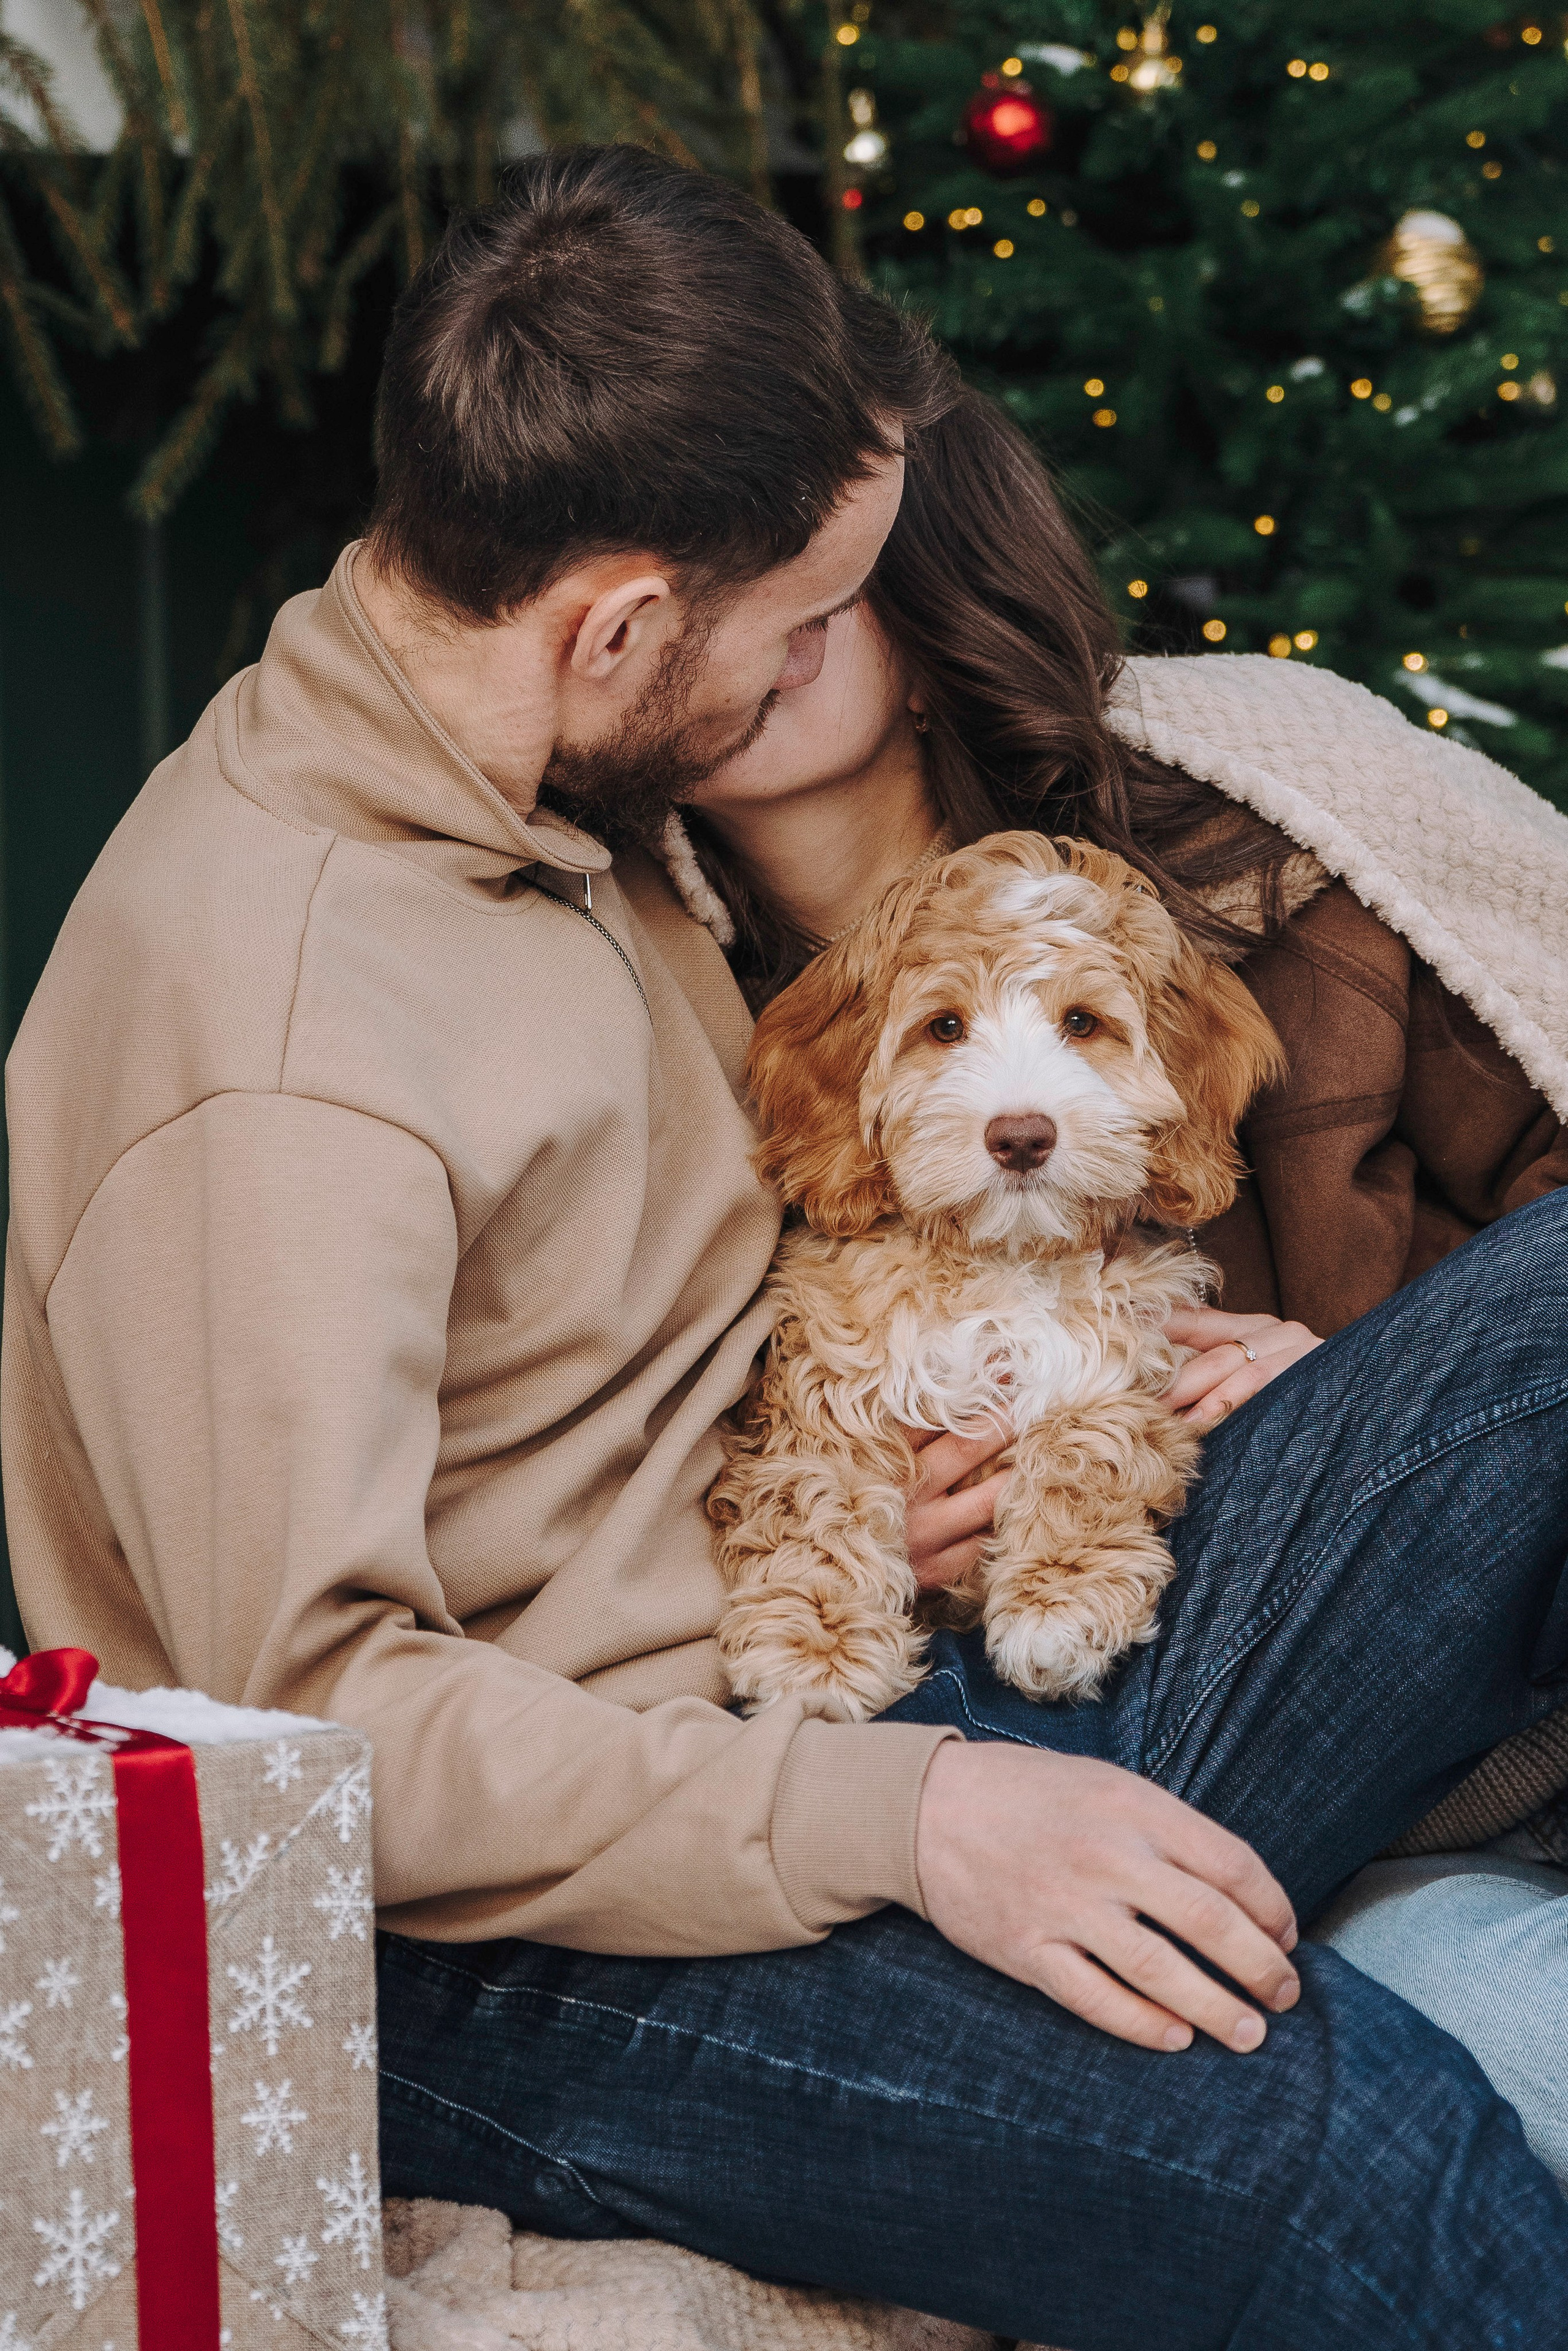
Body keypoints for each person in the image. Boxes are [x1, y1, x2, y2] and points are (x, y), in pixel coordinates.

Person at [5, 153, 1567, 2349]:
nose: (847, 646)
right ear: (631, 626)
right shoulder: (273, 1037)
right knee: (1347, 2158)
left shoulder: (565, 805)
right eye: (811, 605)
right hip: (533, 1944)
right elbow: (312, 1728)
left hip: (882, 1666)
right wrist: (914, 1812)